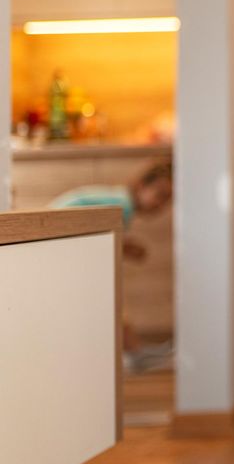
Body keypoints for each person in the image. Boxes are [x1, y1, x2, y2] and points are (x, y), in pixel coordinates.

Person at [50, 159, 174, 371]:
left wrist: (126, 247)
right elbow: (105, 240)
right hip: (57, 243)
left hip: (63, 244)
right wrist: (126, 248)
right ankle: (133, 352)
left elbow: (103, 237)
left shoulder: (120, 200)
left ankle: (134, 350)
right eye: (159, 196)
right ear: (141, 186)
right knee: (109, 293)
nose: (160, 205)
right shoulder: (122, 207)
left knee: (110, 295)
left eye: (167, 201)